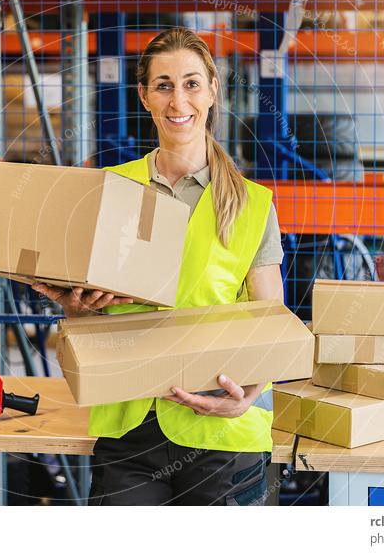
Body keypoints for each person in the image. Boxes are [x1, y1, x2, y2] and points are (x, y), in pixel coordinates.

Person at [32, 27, 284, 505]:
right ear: (144, 96)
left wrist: (249, 394)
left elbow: (269, 327)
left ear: (212, 89)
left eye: (191, 83)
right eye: (163, 85)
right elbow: (89, 322)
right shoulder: (108, 191)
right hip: (129, 425)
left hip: (221, 433)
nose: (178, 100)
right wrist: (79, 310)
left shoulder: (252, 204)